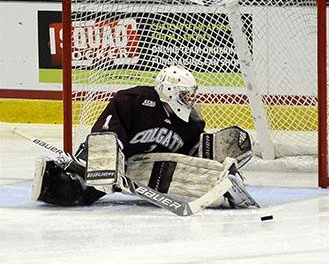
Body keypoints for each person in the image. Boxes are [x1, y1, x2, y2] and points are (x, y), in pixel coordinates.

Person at [32, 65, 256, 209]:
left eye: (191, 95)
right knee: (79, 193)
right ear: (169, 90)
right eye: (184, 94)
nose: (189, 99)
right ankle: (51, 177)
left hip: (144, 170)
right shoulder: (133, 100)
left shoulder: (192, 121)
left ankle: (224, 186)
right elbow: (106, 133)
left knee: (189, 176)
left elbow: (190, 155)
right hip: (110, 164)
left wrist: (212, 161)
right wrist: (109, 166)